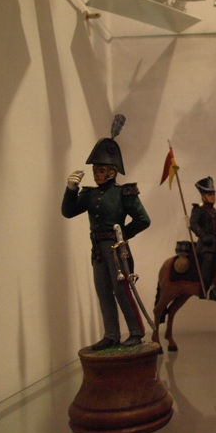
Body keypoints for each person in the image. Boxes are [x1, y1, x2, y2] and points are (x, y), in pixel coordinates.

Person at [62, 115, 151, 350]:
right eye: (95, 170)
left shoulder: (124, 193)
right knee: (103, 291)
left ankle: (136, 332)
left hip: (117, 249)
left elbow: (143, 220)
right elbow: (68, 212)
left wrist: (122, 236)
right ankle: (111, 335)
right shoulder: (90, 194)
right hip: (98, 250)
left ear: (112, 172)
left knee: (122, 290)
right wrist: (71, 189)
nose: (96, 174)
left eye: (100, 170)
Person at [190, 176, 216, 300]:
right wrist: (204, 237)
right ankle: (205, 289)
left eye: (213, 194)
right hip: (205, 245)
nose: (213, 196)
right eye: (209, 194)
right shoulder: (198, 209)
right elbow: (194, 224)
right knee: (209, 259)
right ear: (203, 196)